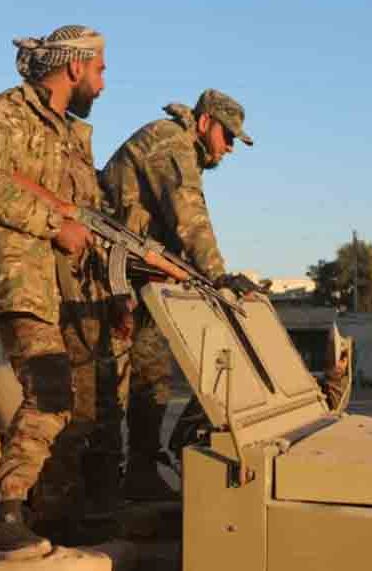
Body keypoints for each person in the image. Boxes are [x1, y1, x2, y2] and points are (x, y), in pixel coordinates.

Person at [0, 24, 115, 560]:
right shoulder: (6, 114)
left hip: (67, 290)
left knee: (79, 407)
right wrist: (55, 224)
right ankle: (4, 521)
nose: (102, 82)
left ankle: (53, 515)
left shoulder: (68, 135)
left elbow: (87, 219)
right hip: (24, 278)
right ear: (74, 67)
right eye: (99, 69)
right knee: (50, 392)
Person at [99, 89, 261, 500]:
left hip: (143, 282)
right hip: (106, 282)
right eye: (227, 137)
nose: (228, 149)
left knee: (152, 378)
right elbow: (188, 214)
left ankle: (141, 473)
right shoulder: (171, 141)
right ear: (205, 123)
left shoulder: (186, 151)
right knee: (106, 389)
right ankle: (95, 488)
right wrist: (218, 276)